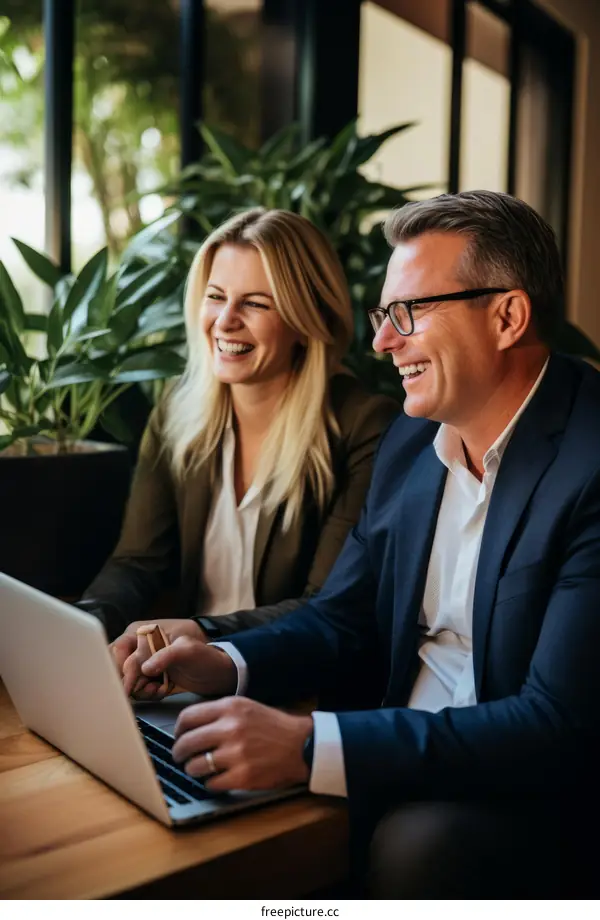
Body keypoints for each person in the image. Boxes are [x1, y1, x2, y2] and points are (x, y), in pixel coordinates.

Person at [120, 190, 600, 897]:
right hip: (391, 742)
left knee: (417, 849)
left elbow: (555, 725)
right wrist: (222, 661)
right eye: (383, 315)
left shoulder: (590, 462)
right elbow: (342, 616)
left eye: (409, 312)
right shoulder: (411, 442)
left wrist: (311, 745)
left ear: (507, 317)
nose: (382, 342)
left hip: (525, 785)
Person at [78, 207, 399, 656]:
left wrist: (201, 633)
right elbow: (138, 562)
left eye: (255, 303)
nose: (225, 320)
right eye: (215, 296)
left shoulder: (363, 425)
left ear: (307, 321)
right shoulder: (176, 410)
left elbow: (326, 606)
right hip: (180, 672)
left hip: (289, 675)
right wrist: (85, 625)